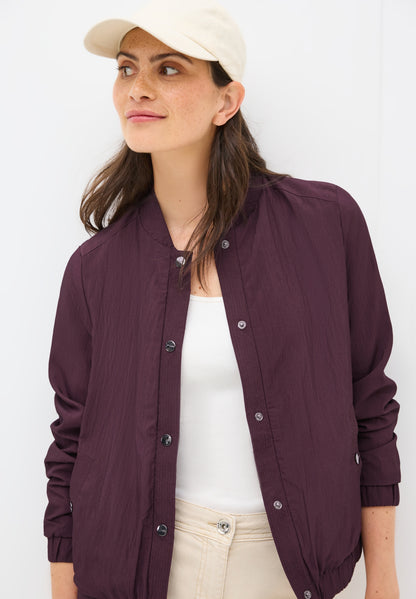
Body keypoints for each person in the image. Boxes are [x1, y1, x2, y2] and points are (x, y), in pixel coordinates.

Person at [43, 1, 401, 598]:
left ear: (226, 101)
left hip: (284, 566)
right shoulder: (95, 269)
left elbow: (370, 402)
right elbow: (71, 444)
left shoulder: (325, 225)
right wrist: (63, 589)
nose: (138, 88)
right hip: (142, 568)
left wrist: (383, 577)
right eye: (127, 68)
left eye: (169, 69)